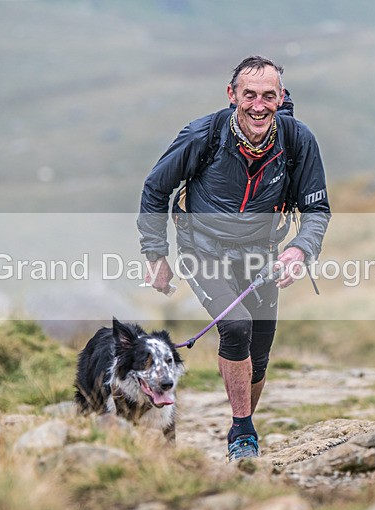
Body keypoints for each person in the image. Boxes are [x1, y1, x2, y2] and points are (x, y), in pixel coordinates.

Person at [137, 55, 330, 461]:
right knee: (236, 327)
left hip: (262, 256)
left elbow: (317, 209)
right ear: (232, 95)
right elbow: (155, 190)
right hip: (202, 250)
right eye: (250, 95)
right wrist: (157, 254)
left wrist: (300, 248)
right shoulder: (202, 135)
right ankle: (243, 434)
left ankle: (240, 421)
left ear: (280, 98)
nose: (258, 105)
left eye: (268, 96)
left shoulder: (297, 140)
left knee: (258, 358)